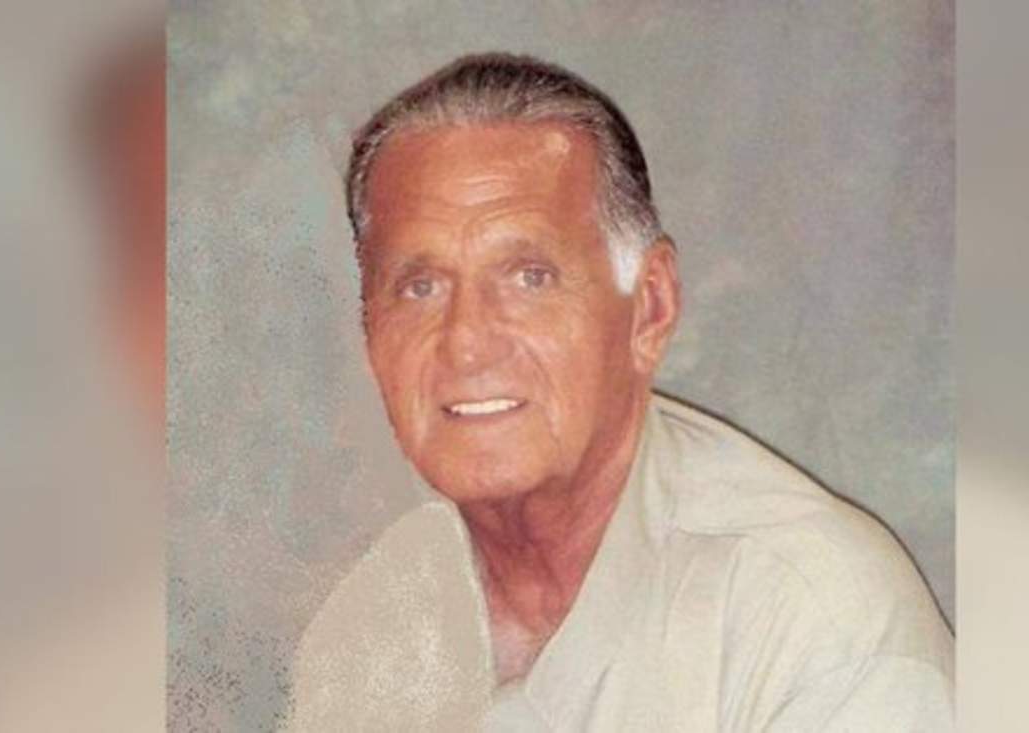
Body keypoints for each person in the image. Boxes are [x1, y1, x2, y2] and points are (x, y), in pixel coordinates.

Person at [290, 52, 952, 731]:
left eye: (530, 277)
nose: (466, 341)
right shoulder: (374, 621)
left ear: (650, 307)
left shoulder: (816, 622)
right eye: (420, 287)